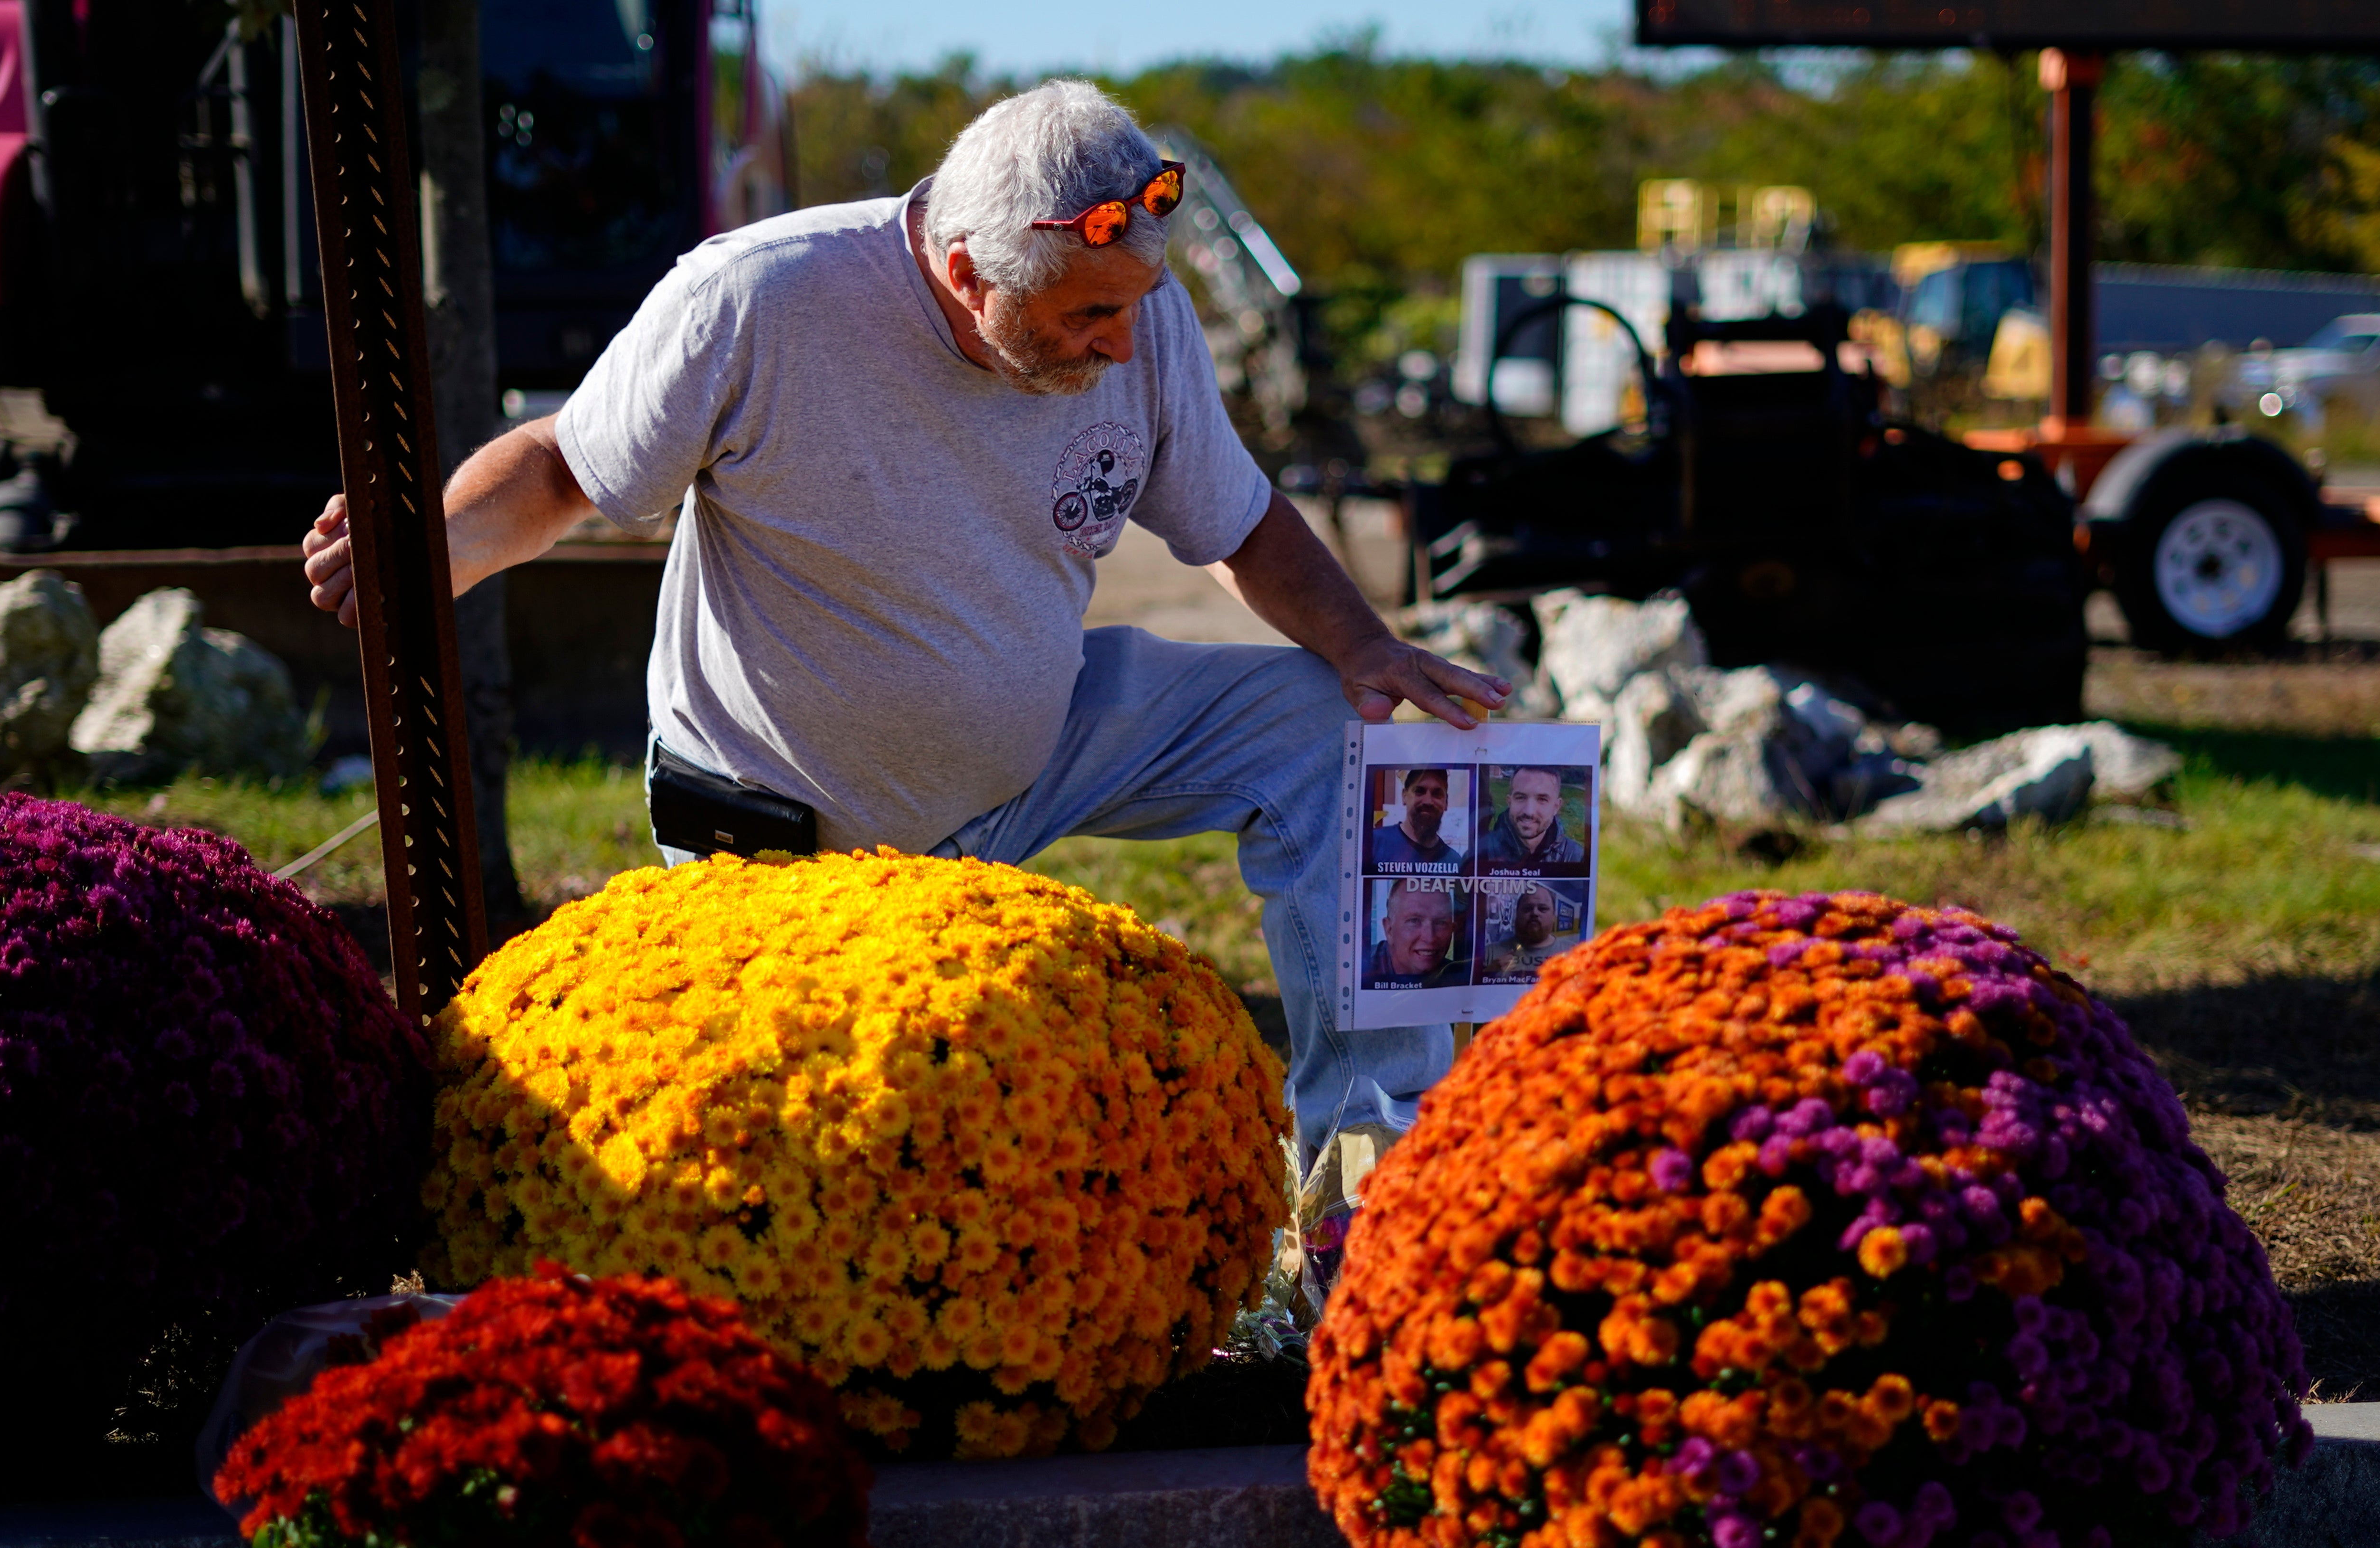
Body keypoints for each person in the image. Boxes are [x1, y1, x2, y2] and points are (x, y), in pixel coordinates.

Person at [300, 81, 1507, 1158]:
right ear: (969, 272)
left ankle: (1373, 1164)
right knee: (865, 1152)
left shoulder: (1139, 320)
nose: (1122, 341)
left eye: (1135, 304)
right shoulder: (761, 299)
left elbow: (1240, 524)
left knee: (1336, 730)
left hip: (1035, 751)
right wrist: (428, 554)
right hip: (784, 821)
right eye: (1090, 314)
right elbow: (565, 469)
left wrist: (1364, 645)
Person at [1481, 766, 1585, 871]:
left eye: (1542, 800)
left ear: (1556, 807)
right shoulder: (1480, 850)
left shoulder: (1576, 856)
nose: (1529, 812)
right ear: (1509, 802)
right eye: (1521, 798)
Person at [1361, 882, 1461, 989]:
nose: (1430, 938)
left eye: (1441, 923)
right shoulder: (1362, 971)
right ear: (1389, 930)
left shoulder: (1459, 976)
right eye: (1414, 921)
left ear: (1453, 929)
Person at [1477, 883, 1583, 982]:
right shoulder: (1490, 953)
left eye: (1543, 909)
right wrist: (1489, 973)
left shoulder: (1572, 953)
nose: (1535, 913)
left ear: (1554, 916)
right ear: (1517, 914)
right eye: (1528, 909)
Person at [1368, 767, 1462, 873]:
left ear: (1446, 802)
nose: (1428, 801)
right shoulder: (1374, 843)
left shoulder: (1455, 862)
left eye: (1437, 794)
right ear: (1404, 796)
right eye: (1419, 791)